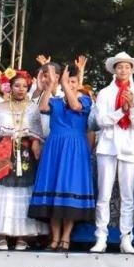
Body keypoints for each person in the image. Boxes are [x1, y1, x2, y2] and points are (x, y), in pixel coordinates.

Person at [0, 70, 47, 250]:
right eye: (17, 86)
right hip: (4, 152)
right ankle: (1, 235)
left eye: (24, 86)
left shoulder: (33, 108)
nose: (21, 89)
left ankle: (22, 237)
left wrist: (36, 143)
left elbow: (37, 132)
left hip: (26, 154)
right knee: (3, 194)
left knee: (23, 194)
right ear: (10, 87)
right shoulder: (1, 107)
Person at [30, 58, 95, 252]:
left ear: (78, 83)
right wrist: (51, 85)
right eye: (68, 81)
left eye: (74, 82)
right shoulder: (56, 101)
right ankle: (55, 237)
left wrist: (66, 83)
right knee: (54, 191)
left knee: (69, 191)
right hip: (55, 148)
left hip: (75, 149)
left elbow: (75, 107)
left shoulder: (85, 100)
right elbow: (42, 108)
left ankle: (66, 237)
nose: (70, 84)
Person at [91, 51, 134, 254]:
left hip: (129, 148)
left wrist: (132, 107)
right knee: (104, 194)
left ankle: (126, 238)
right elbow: (100, 121)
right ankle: (101, 237)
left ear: (131, 70)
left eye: (127, 67)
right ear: (114, 70)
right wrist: (122, 110)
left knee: (127, 196)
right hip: (107, 147)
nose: (123, 70)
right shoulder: (105, 93)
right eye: (120, 66)